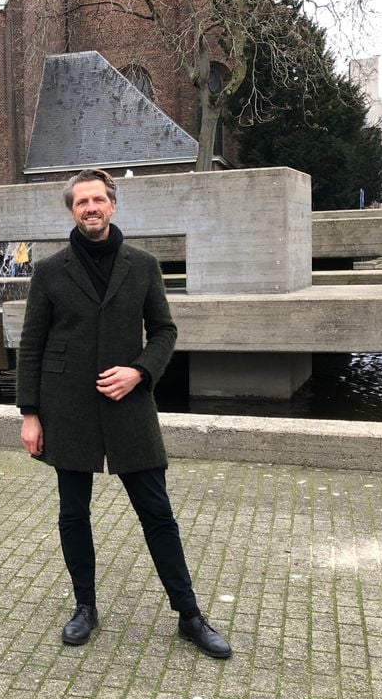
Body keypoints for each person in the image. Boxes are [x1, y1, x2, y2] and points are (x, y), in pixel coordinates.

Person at [16, 168, 231, 659]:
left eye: (98, 200)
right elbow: (32, 345)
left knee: (157, 513)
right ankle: (85, 607)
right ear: (71, 211)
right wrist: (30, 413)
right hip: (66, 406)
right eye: (80, 203)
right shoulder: (49, 271)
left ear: (113, 206)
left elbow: (164, 331)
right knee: (74, 513)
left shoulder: (142, 265)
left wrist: (139, 372)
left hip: (129, 404)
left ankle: (189, 614)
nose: (90, 208)